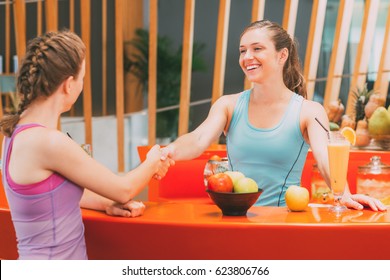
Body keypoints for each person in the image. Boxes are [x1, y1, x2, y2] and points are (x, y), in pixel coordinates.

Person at [162, 20, 386, 211]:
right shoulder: (228, 105)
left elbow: (326, 159)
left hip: (282, 224)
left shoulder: (309, 111)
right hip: (235, 222)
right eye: (242, 50)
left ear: (282, 55)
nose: (247, 57)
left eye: (257, 49)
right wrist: (169, 151)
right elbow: (198, 139)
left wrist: (343, 194)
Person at [0, 30, 173, 259]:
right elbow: (123, 189)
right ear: (68, 84)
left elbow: (51, 195)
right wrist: (153, 160)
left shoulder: (14, 134)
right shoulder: (50, 142)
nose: (82, 85)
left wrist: (105, 204)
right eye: (82, 78)